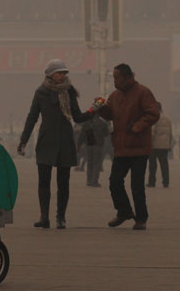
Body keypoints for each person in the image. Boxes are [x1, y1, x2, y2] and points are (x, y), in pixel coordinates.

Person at [17, 59, 99, 229]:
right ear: (50, 74)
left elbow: (77, 117)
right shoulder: (41, 92)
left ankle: (61, 217)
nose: (62, 75)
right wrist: (23, 140)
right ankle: (44, 217)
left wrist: (93, 110)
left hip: (65, 140)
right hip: (47, 140)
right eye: (59, 72)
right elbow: (32, 118)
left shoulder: (69, 91)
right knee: (44, 181)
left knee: (64, 182)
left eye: (64, 73)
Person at [98, 63, 160, 230]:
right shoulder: (115, 96)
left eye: (116, 77)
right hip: (121, 147)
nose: (114, 81)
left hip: (139, 147)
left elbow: (153, 113)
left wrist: (139, 126)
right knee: (115, 182)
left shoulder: (143, 92)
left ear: (127, 77)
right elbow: (110, 114)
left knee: (137, 185)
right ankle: (124, 211)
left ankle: (141, 218)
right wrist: (100, 108)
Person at [148, 103, 172, 188]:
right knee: (164, 165)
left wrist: (149, 142)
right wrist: (169, 144)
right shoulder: (167, 119)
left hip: (154, 145)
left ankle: (152, 182)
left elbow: (152, 132)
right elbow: (170, 134)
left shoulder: (154, 118)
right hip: (164, 145)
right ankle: (166, 182)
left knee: (152, 165)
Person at [82, 116, 110, 187]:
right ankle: (94, 181)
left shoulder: (86, 122)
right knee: (97, 164)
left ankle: (89, 180)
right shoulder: (103, 123)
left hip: (89, 145)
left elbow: (82, 134)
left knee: (90, 163)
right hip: (98, 145)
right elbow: (106, 134)